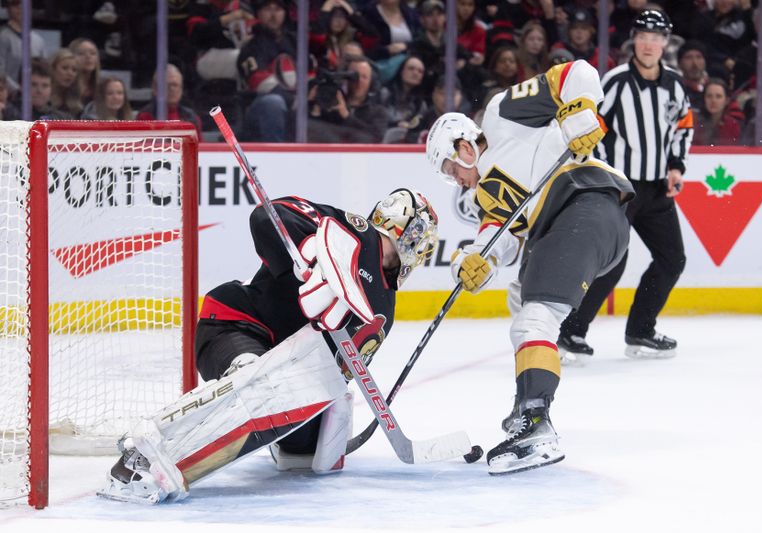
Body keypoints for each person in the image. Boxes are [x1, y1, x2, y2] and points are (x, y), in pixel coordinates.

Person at [98, 189, 439, 503]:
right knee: (254, 382)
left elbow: (334, 371)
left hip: (284, 366)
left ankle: (234, 433)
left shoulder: (383, 309)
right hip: (235, 325)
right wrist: (312, 252)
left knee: (303, 447)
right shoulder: (344, 229)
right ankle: (148, 450)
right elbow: (266, 217)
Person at [425, 58, 633, 475]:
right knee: (522, 305)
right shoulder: (490, 197)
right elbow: (496, 239)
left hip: (584, 203)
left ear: (464, 147)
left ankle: (535, 423)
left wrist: (580, 110)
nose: (456, 180)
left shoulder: (503, 114)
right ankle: (528, 407)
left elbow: (577, 73)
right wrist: (472, 261)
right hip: (574, 226)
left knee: (533, 320)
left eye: (451, 171)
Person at [558, 9, 693, 361]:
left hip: (658, 189)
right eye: (644, 36)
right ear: (634, 39)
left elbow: (683, 125)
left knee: (672, 258)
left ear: (666, 42)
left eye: (656, 37)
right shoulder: (616, 82)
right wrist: (606, 177)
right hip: (620, 190)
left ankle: (641, 330)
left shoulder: (675, 85)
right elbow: (593, 130)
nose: (649, 44)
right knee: (612, 263)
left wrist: (677, 166)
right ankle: (570, 331)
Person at [237, 0, 297, 142]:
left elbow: (310, 73)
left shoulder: (295, 42)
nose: (273, 14)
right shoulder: (251, 46)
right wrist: (295, 100)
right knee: (273, 102)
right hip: (259, 107)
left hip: (296, 103)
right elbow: (259, 81)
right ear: (258, 13)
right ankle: (277, 157)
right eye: (268, 9)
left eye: (278, 9)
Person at [136, 64, 203, 137]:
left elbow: (200, 146)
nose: (172, 89)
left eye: (175, 85)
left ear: (181, 89)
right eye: (167, 85)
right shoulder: (145, 116)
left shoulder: (192, 118)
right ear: (155, 89)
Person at [0, 0, 46, 94]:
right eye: (15, 4)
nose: (20, 7)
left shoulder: (38, 40)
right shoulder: (3, 37)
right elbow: (1, 71)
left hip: (35, 97)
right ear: (8, 8)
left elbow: (44, 71)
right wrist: (19, 90)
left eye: (24, 4)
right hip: (9, 96)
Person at [693, 78, 742, 146]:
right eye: (709, 96)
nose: (713, 100)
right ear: (704, 99)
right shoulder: (694, 123)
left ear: (726, 100)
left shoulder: (732, 126)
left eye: (718, 96)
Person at [50, 48, 83, 119]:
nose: (70, 73)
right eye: (65, 68)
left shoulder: (77, 106)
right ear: (53, 69)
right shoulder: (43, 100)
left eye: (74, 70)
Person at [68, 37, 102, 105]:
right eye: (81, 53)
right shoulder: (65, 87)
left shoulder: (102, 88)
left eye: (92, 53)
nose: (88, 57)